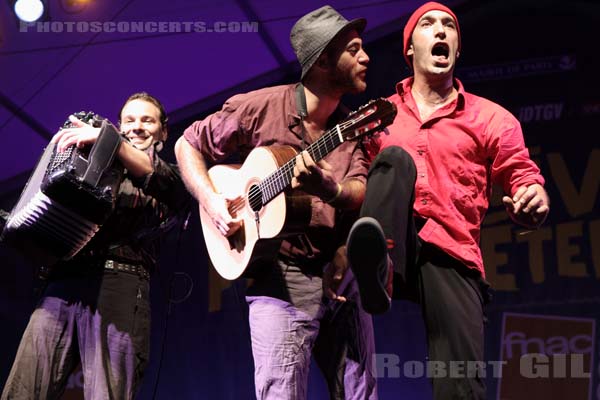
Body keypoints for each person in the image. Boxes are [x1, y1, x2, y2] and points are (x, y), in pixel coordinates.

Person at [345, 2, 550, 399]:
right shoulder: (377, 115)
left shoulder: (492, 119)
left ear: (457, 48)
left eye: (449, 27)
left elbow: (523, 175)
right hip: (393, 240)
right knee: (394, 159)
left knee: (460, 380)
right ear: (409, 49)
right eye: (428, 24)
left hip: (450, 247)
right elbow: (352, 177)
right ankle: (378, 269)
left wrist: (533, 198)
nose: (440, 32)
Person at [175, 6, 377, 399]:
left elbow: (357, 190)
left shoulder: (353, 127)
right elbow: (187, 143)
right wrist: (213, 201)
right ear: (322, 59)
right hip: (278, 272)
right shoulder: (261, 107)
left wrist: (329, 189)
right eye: (353, 50)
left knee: (361, 392)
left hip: (337, 272)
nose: (366, 57)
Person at [2, 92, 190, 399]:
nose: (137, 127)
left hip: (120, 284)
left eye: (147, 120)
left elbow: (167, 184)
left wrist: (109, 140)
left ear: (163, 131)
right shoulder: (90, 165)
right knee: (24, 389)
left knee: (108, 392)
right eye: (129, 120)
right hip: (63, 282)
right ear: (120, 124)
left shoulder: (174, 174)